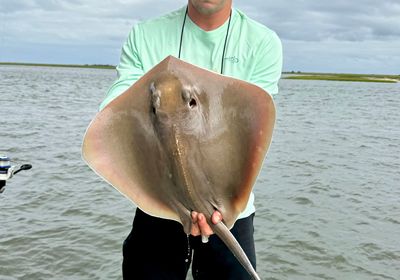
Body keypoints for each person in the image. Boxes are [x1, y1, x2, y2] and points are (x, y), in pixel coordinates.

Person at [100, 0, 282, 279]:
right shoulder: (146, 35)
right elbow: (114, 111)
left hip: (229, 208)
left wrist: (221, 205)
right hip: (159, 204)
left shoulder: (262, 43)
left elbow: (255, 121)